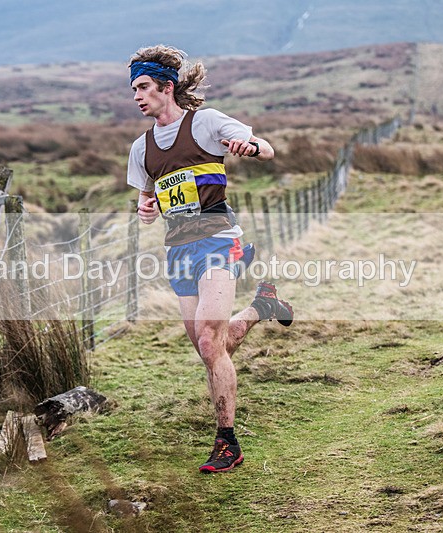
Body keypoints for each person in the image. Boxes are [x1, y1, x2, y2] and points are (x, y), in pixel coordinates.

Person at [126, 45, 294, 473]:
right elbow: (147, 199)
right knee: (210, 347)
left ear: (166, 87)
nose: (137, 96)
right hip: (179, 249)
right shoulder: (141, 148)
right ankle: (262, 307)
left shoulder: (204, 122)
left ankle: (228, 442)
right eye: (133, 89)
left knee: (207, 341)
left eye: (143, 87)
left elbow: (267, 147)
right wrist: (146, 209)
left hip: (219, 239)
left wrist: (250, 147)